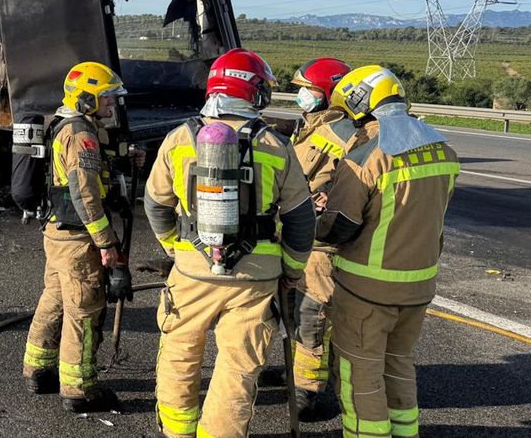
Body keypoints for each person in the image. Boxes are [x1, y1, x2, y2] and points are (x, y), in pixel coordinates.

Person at [143, 48, 315, 438]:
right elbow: (300, 220)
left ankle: (176, 430)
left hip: (191, 272)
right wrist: (291, 270)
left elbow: (156, 205)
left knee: (180, 352)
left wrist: (176, 248)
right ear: (252, 91)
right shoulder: (275, 145)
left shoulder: (179, 139)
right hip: (256, 279)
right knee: (238, 368)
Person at [317, 66, 458, 437]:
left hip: (367, 289)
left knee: (359, 376)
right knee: (398, 365)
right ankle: (404, 433)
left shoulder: (368, 156)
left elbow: (340, 227)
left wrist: (314, 221)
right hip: (419, 286)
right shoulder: (443, 149)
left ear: (360, 104)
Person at [22, 61, 134, 413]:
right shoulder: (81, 133)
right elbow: (85, 194)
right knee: (84, 310)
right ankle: (80, 388)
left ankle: (38, 369)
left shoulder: (66, 124)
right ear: (87, 99)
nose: (112, 105)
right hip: (78, 238)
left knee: (54, 298)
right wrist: (106, 243)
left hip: (58, 232)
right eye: (106, 99)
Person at [287, 57, 357, 420]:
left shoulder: (341, 134)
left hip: (322, 246)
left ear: (328, 94)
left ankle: (307, 390)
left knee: (313, 314)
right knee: (292, 310)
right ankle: (294, 370)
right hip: (300, 237)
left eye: (307, 90)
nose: (300, 96)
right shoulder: (312, 127)